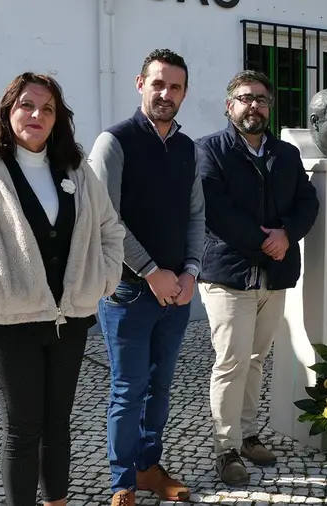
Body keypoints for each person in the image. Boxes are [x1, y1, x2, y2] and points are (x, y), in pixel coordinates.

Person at [0, 72, 125, 506]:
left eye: (47, 108)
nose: (37, 114)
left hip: (68, 320)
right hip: (9, 324)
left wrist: (103, 278)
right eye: (27, 105)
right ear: (8, 111)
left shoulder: (78, 170)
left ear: (58, 119)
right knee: (22, 428)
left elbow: (110, 230)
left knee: (58, 425)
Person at [88, 49, 205, 506]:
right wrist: (152, 271)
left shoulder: (187, 148)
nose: (166, 93)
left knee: (161, 387)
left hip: (176, 293)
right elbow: (106, 219)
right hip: (128, 292)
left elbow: (197, 215)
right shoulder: (114, 142)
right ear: (140, 84)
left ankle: (148, 468)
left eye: (175, 87)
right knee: (127, 389)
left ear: (184, 93)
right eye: (158, 83)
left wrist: (191, 272)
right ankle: (122, 482)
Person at [195, 69, 319, 487]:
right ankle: (225, 448)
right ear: (230, 106)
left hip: (275, 274)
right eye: (245, 98)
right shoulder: (209, 150)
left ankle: (248, 435)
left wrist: (288, 233)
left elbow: (307, 201)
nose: (254, 106)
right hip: (228, 274)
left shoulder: (285, 154)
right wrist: (265, 241)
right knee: (230, 362)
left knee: (256, 359)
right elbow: (217, 211)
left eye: (261, 99)